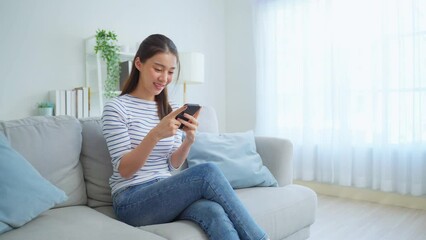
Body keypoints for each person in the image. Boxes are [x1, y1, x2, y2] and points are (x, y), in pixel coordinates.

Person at [101, 34, 269, 240]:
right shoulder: (116, 108)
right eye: (158, 68)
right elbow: (125, 170)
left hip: (164, 190)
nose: (164, 78)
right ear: (138, 63)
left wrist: (188, 140)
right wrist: (155, 135)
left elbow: (172, 165)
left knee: (212, 211)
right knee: (207, 171)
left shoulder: (168, 107)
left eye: (170, 71)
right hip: (131, 200)